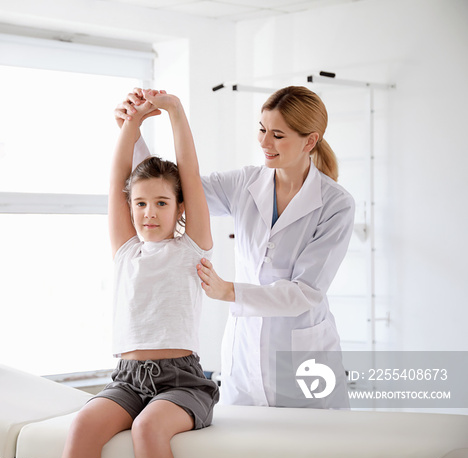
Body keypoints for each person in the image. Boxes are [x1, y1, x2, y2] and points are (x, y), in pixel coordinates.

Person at [116, 86, 354, 409]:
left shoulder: (336, 205)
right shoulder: (245, 183)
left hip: (305, 360)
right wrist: (132, 134)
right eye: (262, 129)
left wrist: (229, 291)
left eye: (278, 135)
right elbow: (175, 189)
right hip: (244, 358)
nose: (264, 142)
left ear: (309, 141)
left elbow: (305, 293)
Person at [60, 91, 219, 458]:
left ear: (179, 206)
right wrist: (132, 123)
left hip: (181, 382)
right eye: (141, 203)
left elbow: (190, 174)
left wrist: (175, 111)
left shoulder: (192, 247)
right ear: (129, 205)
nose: (150, 213)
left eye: (162, 203)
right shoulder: (126, 250)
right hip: (127, 380)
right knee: (83, 424)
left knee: (147, 428)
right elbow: (117, 178)